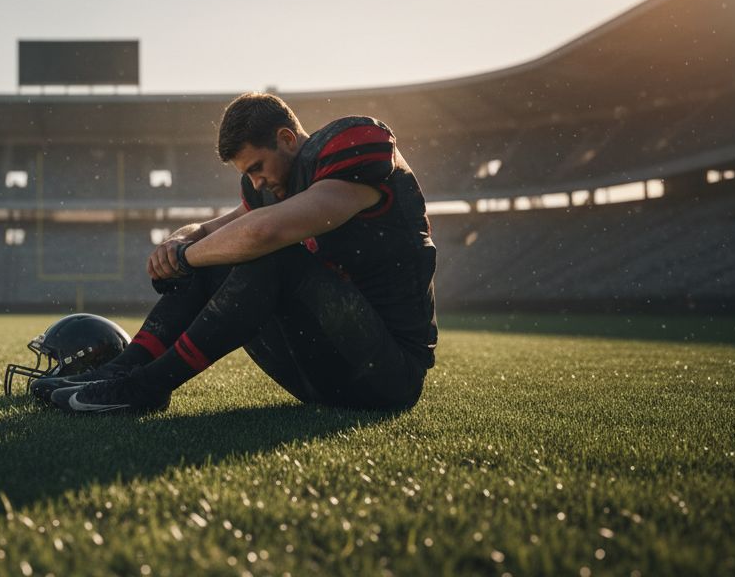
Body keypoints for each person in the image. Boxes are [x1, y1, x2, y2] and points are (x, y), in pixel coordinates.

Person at [36, 91, 437, 414]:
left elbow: (265, 232)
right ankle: (124, 368)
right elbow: (210, 231)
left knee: (269, 254)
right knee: (217, 252)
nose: (256, 180)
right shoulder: (275, 185)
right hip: (324, 373)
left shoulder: (353, 146)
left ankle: (147, 386)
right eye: (249, 173)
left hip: (388, 376)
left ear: (286, 138)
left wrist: (188, 257)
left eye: (258, 166)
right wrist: (178, 243)